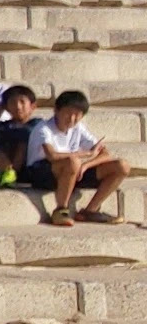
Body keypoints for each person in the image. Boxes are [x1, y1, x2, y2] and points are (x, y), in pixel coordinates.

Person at [28, 91, 128, 226]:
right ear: (56, 110)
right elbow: (52, 155)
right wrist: (84, 155)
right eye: (68, 113)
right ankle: (61, 210)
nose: (72, 119)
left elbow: (105, 153)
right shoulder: (43, 128)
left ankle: (90, 211)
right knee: (73, 162)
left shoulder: (78, 128)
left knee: (122, 166)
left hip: (71, 171)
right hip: (41, 172)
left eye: (77, 115)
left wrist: (86, 165)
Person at [0, 85, 41, 189]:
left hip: (27, 168)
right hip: (4, 161)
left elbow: (28, 132)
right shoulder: (5, 125)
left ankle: (11, 174)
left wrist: (3, 132)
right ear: (7, 108)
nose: (18, 107)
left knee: (21, 140)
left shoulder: (37, 123)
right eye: (13, 102)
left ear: (32, 106)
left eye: (22, 102)